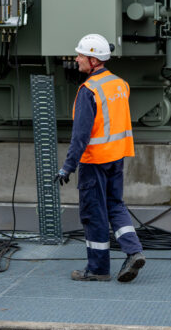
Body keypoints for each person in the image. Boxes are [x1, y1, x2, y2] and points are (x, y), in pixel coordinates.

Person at [55, 33, 145, 283]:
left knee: (94, 213)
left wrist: (67, 167)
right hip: (117, 157)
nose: (77, 59)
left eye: (81, 55)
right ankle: (133, 251)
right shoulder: (119, 84)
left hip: (94, 161)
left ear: (94, 60)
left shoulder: (88, 90)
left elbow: (80, 136)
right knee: (115, 205)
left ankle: (98, 269)